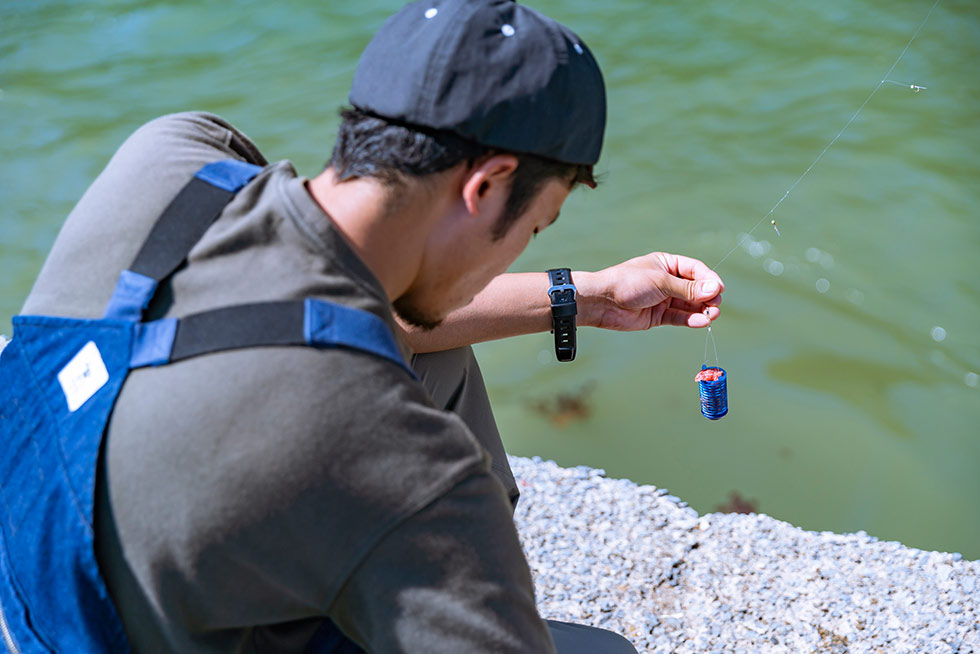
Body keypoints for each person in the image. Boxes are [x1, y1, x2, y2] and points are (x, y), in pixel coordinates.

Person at [0, 0, 723, 652]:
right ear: (486, 185)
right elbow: (339, 369)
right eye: (536, 227)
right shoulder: (406, 465)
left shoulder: (172, 155)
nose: (529, 244)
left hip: (31, 593)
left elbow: (318, 303)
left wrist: (587, 296)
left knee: (436, 359)